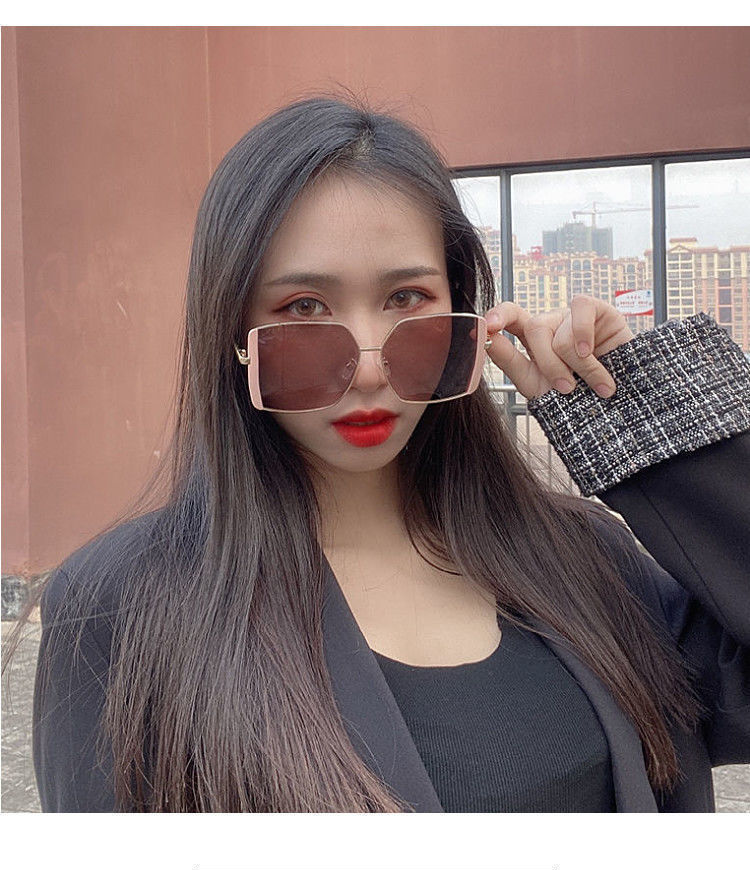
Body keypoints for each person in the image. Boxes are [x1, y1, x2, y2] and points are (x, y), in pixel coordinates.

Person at [24, 95, 750, 813]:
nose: (369, 367)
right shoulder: (123, 607)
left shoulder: (583, 558)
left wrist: (641, 410)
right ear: (233, 333)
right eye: (304, 307)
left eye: (406, 298)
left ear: (461, 312)